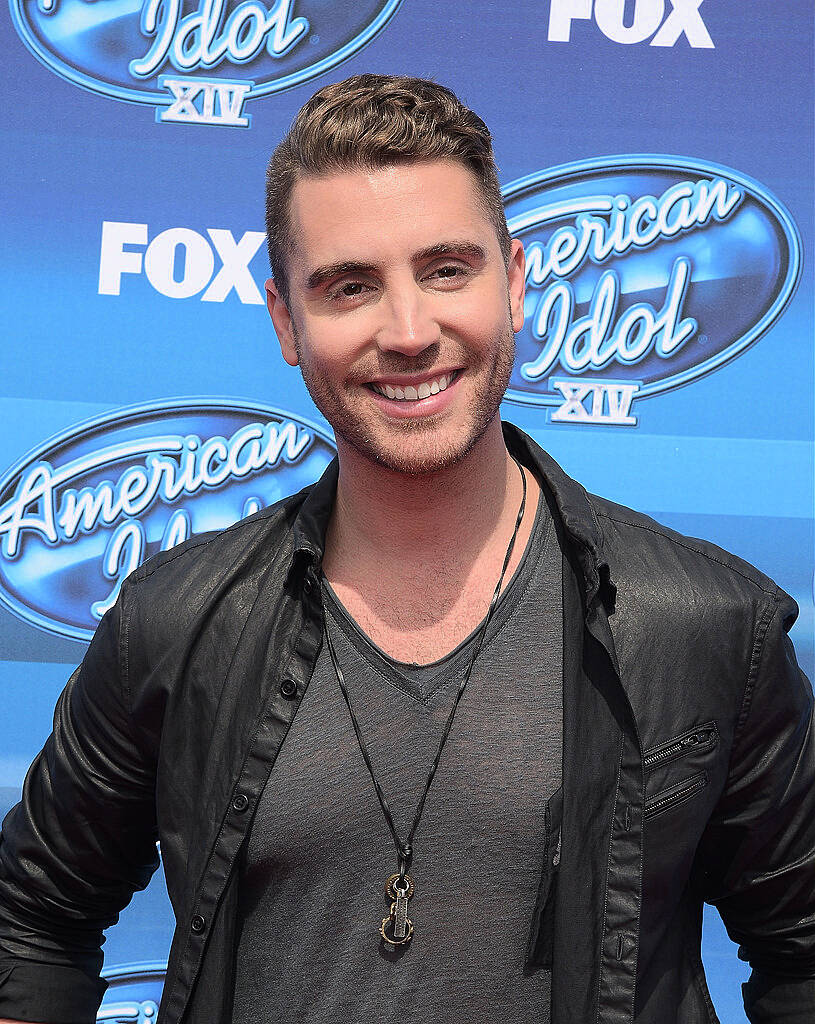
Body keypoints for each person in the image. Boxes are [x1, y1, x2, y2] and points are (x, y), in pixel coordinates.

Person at [0, 74, 813, 1024]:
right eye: (350, 287)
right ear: (285, 324)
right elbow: (32, 925)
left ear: (512, 284)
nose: (410, 332)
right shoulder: (178, 620)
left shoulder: (706, 625)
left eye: (446, 270)